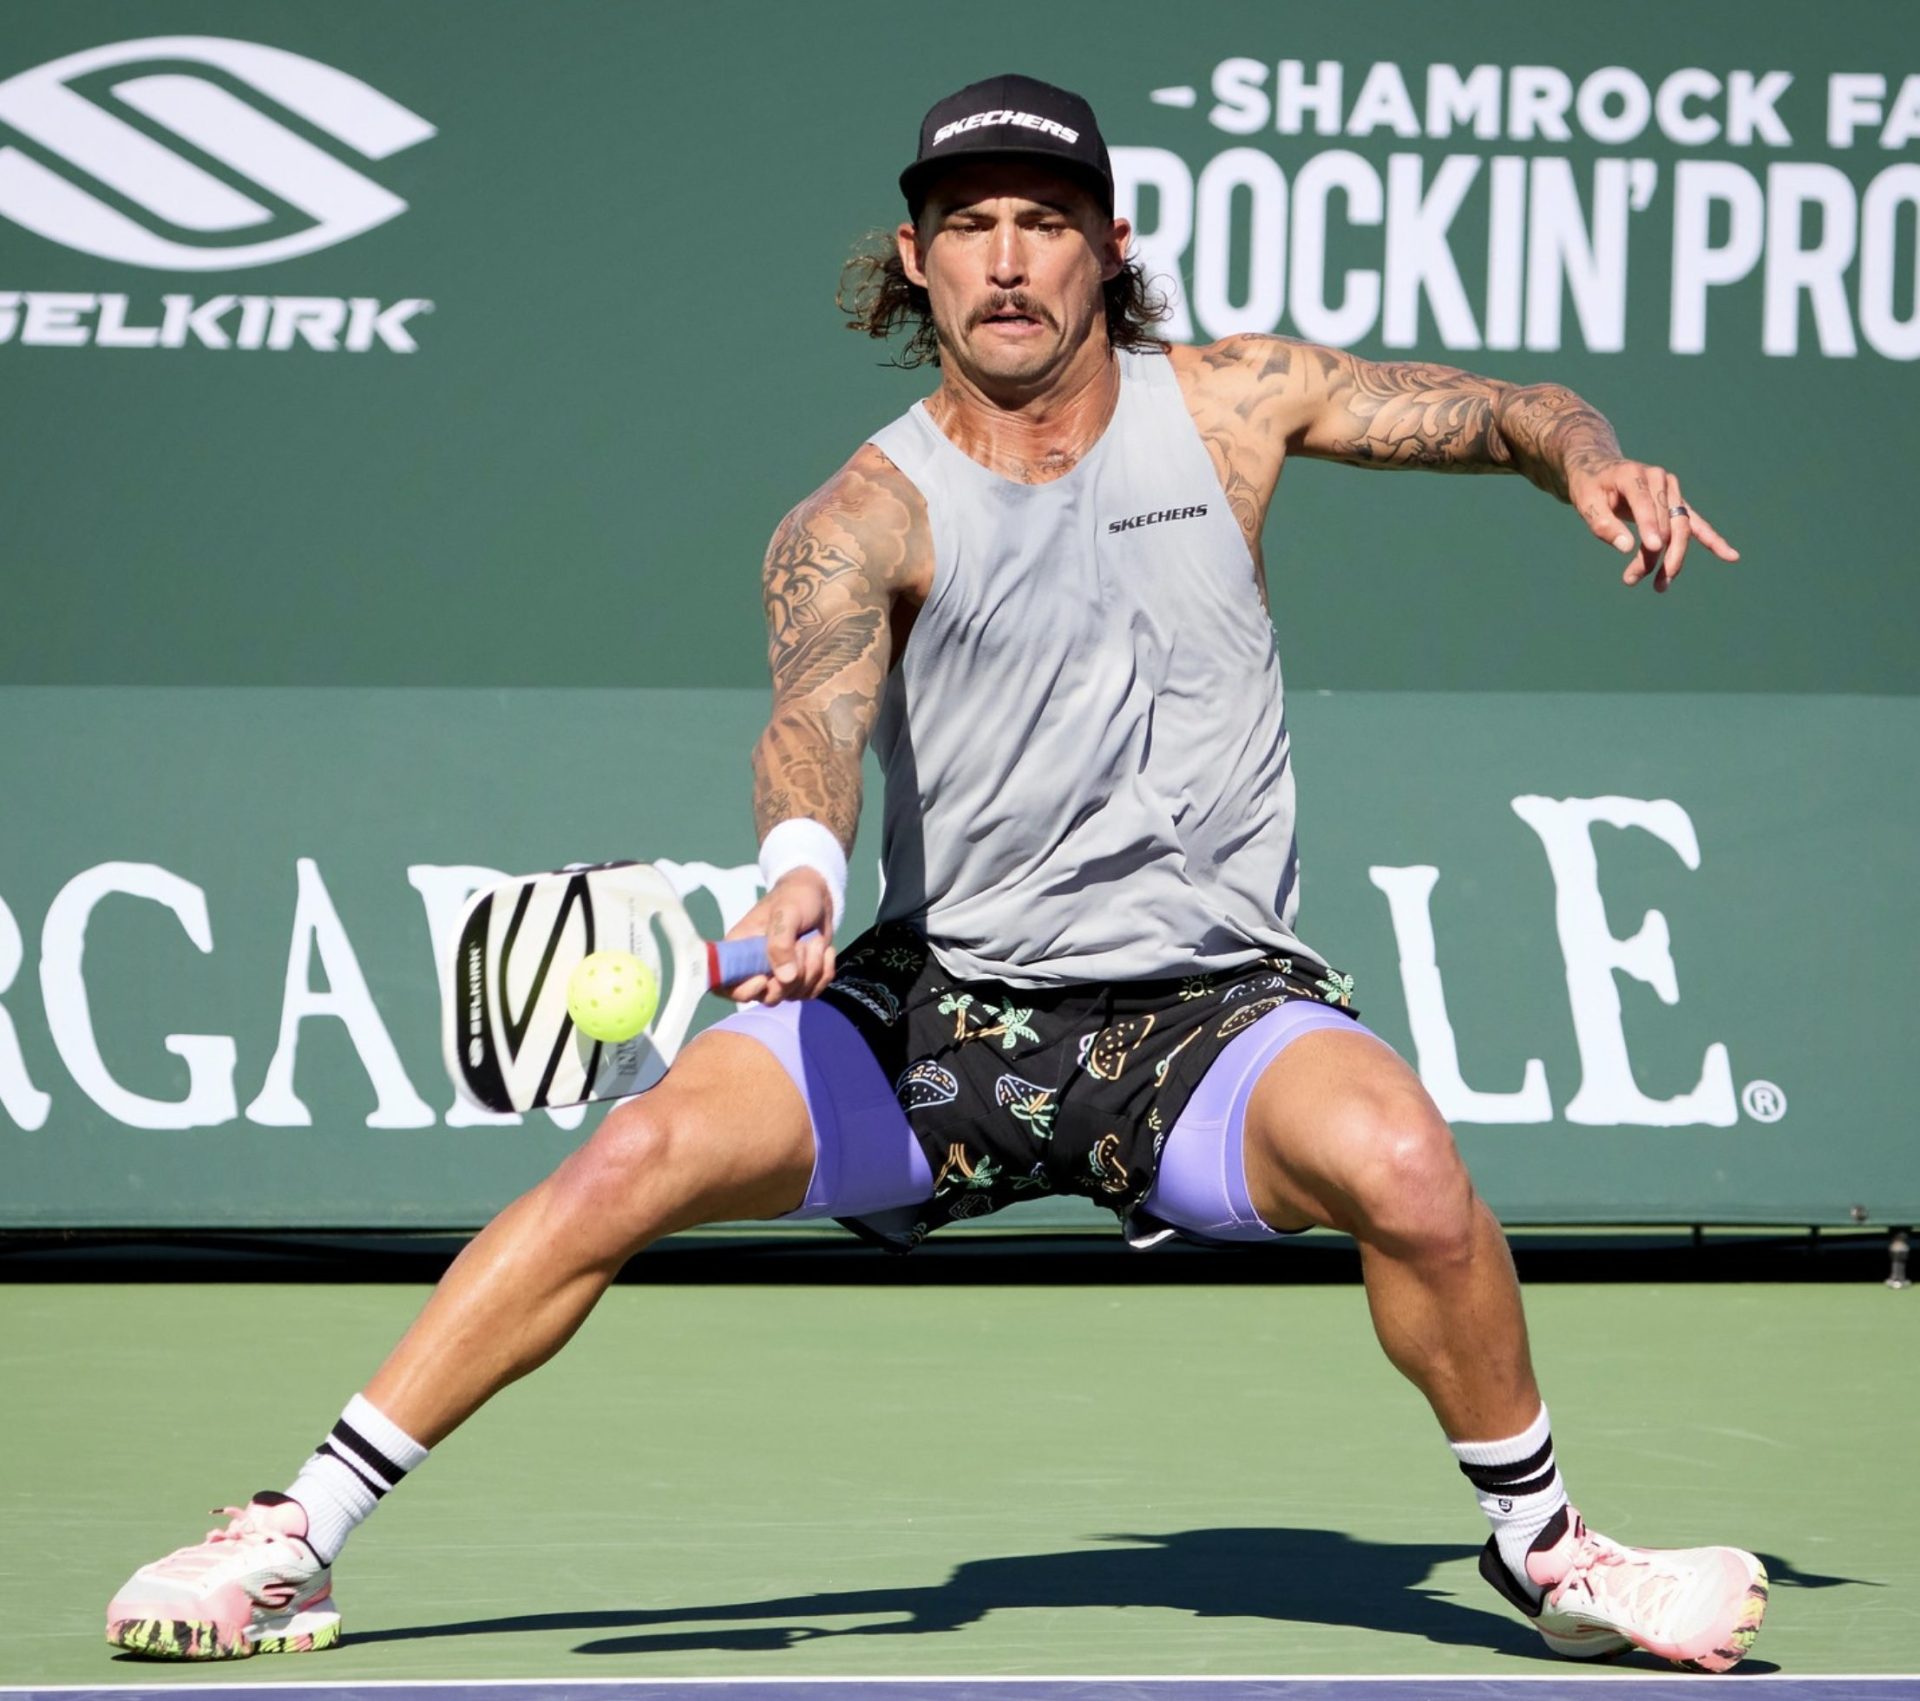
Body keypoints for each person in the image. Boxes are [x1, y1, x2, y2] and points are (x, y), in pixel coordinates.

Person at [107, 73, 1764, 1671]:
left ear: (1110, 245)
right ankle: (294, 1530)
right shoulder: (860, 512)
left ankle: (1550, 1551)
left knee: (1404, 1158)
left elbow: (1497, 410)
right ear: (917, 259)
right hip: (948, 1012)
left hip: (1202, 1016)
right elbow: (811, 723)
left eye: (1045, 220)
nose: (1009, 256)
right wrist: (801, 875)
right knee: (635, 1159)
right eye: (969, 222)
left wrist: (1587, 459)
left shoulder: (1233, 403)